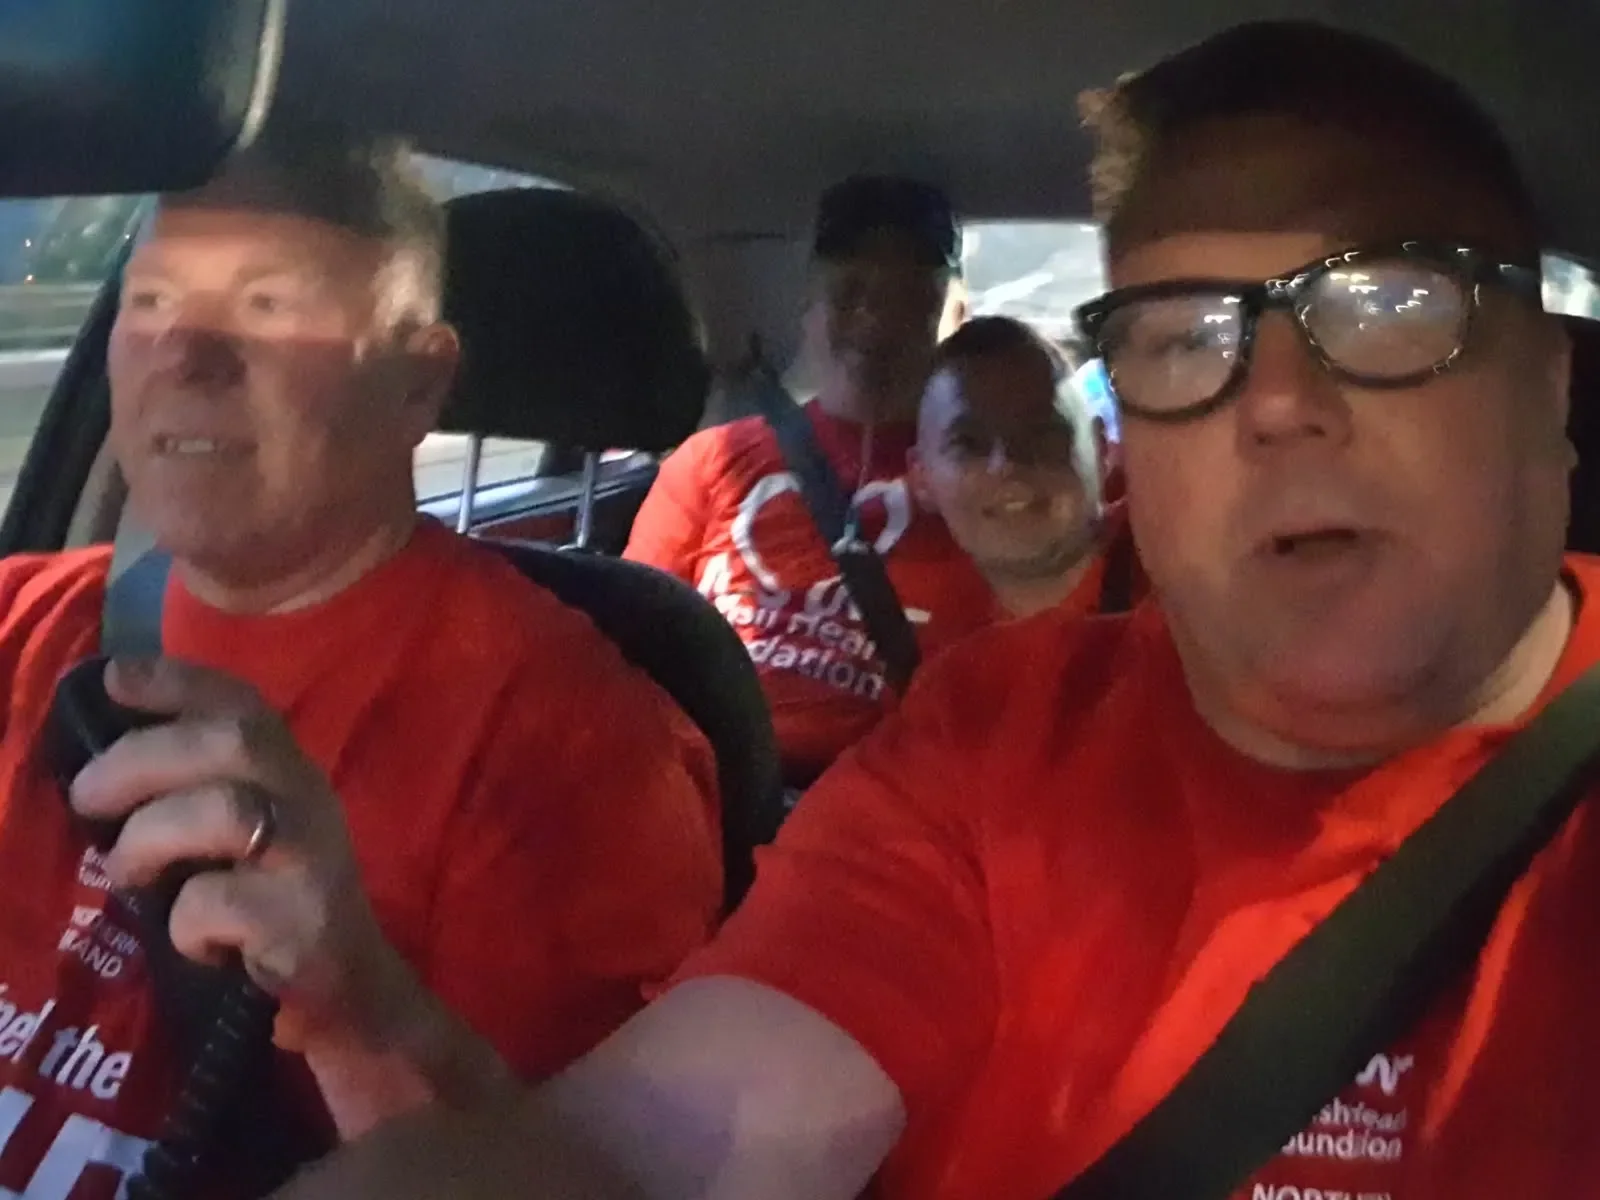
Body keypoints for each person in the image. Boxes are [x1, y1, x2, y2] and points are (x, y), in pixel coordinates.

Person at [275, 18, 1595, 1200]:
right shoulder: (997, 745)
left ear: (1550, 386)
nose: (1280, 401)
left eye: (1388, 304)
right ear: (1140, 439)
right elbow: (638, 1155)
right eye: (1185, 338)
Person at [0, 118, 721, 1198]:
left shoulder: (580, 753)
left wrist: (363, 1010)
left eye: (269, 308)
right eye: (150, 303)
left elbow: (562, 1178)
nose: (186, 357)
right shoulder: (21, 620)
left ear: (418, 384)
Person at [624, 176, 998, 788]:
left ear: (953, 317)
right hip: (704, 788)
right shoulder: (712, 460)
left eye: (911, 299)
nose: (876, 320)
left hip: (885, 805)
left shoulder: (987, 480)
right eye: (849, 293)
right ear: (808, 308)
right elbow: (632, 648)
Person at [909, 315, 1141, 618]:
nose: (1007, 463)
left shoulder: (1176, 571)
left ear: (1101, 450)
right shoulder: (909, 622)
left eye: (1042, 435)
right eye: (968, 444)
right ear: (921, 479)